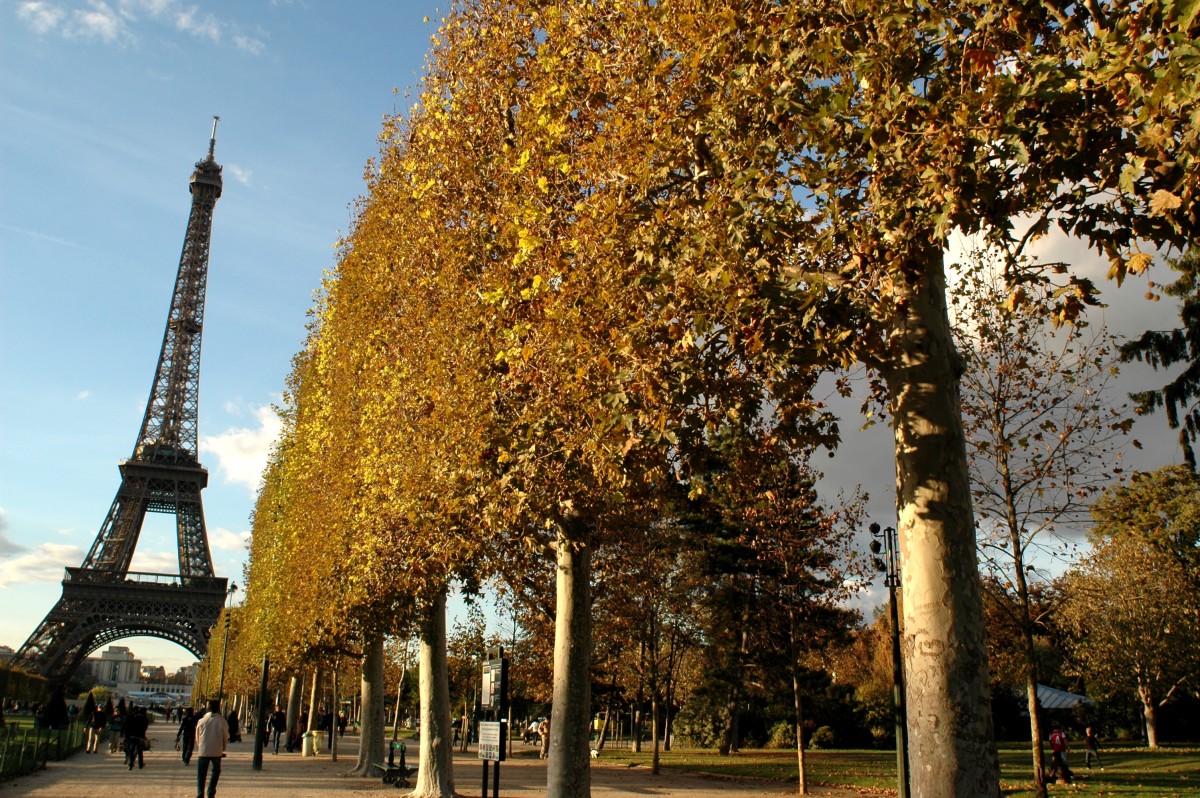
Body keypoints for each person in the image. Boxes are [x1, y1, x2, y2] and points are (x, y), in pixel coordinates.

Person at [196, 700, 230, 798]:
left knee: (201, 773)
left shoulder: (201, 721)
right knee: (216, 771)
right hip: (217, 750)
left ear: (208, 708)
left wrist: (200, 746)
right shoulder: (222, 721)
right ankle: (211, 791)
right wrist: (223, 747)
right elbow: (225, 736)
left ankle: (200, 793)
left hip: (203, 750)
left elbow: (197, 736)